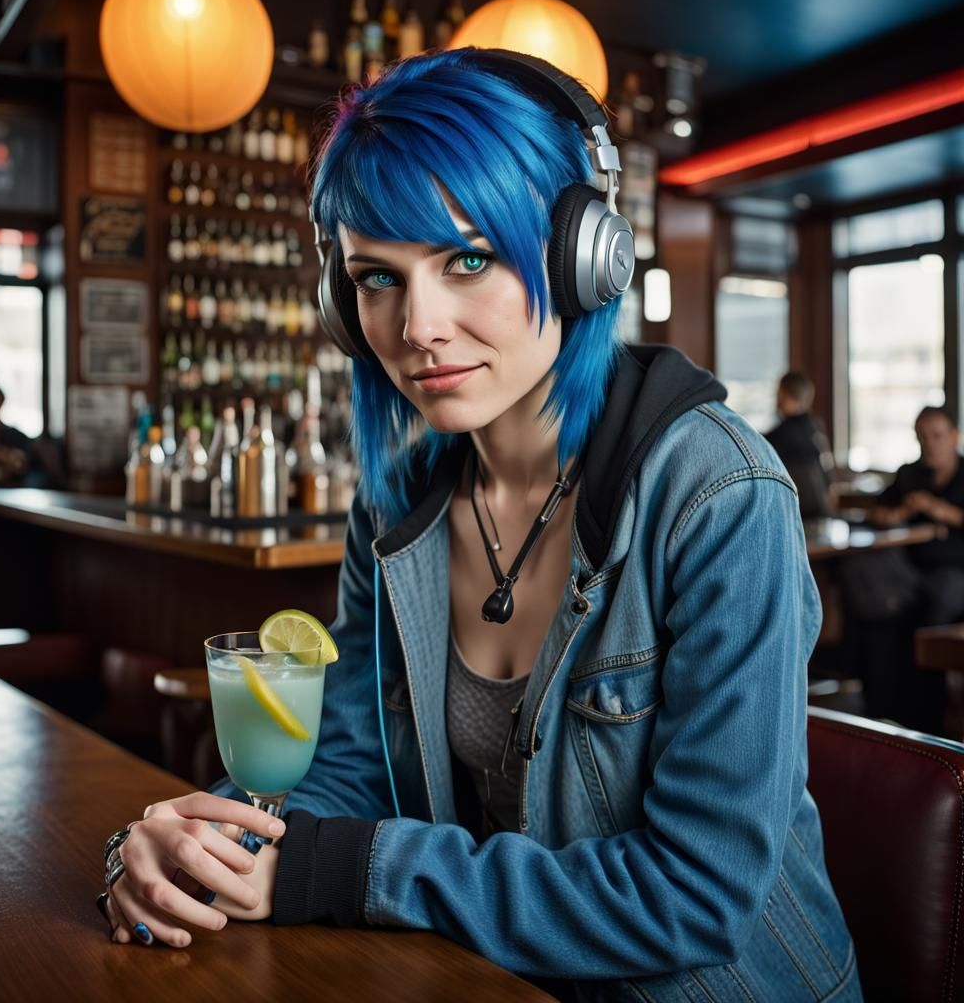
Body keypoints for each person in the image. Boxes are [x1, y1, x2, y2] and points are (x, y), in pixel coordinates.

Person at [98, 50, 861, 1001]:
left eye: (468, 259)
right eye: (377, 277)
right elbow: (350, 766)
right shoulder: (397, 499)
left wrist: (344, 868)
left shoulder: (721, 496)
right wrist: (205, 851)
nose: (418, 325)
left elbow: (696, 898)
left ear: (583, 258)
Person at [855, 405, 964, 731]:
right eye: (923, 438)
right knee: (871, 595)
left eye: (937, 436)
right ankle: (882, 708)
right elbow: (878, 511)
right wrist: (897, 512)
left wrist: (939, 510)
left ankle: (933, 713)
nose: (930, 444)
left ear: (954, 437)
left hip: (955, 570)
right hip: (910, 569)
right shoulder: (909, 474)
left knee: (938, 600)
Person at [764, 372, 834, 519]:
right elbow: (826, 467)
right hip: (822, 508)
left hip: (796, 513)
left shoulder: (780, 435)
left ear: (783, 394)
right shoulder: (815, 426)